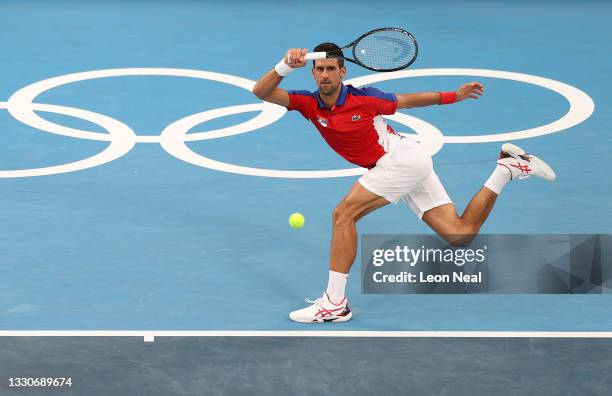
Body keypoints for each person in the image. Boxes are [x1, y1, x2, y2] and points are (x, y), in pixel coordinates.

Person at [252, 43, 556, 323]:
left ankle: (334, 303)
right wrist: (285, 65)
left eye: (331, 68)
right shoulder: (307, 104)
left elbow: (409, 101)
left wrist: (455, 96)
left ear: (343, 72)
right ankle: (506, 168)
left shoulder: (363, 99)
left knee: (343, 215)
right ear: (313, 72)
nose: (325, 74)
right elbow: (261, 91)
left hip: (400, 161)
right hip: (405, 164)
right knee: (460, 235)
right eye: (319, 69)